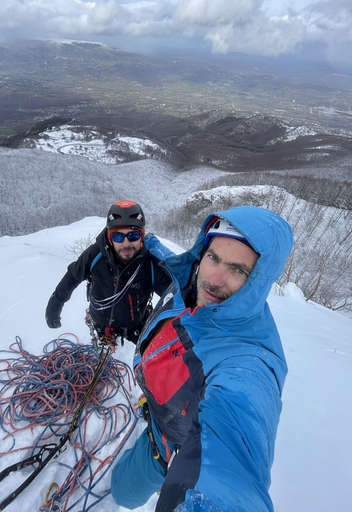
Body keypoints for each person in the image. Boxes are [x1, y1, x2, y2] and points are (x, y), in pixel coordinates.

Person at [110, 205, 294, 512]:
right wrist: (143, 241)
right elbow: (169, 258)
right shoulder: (186, 283)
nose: (216, 280)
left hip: (171, 443)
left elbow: (234, 452)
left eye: (239, 270)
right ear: (201, 254)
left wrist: (200, 501)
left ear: (260, 280)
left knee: (122, 492)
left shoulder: (247, 360)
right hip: (160, 406)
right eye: (214, 258)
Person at [45, 200, 172, 344]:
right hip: (101, 322)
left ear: (142, 237)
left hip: (134, 325)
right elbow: (73, 276)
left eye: (133, 236)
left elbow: (174, 296)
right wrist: (54, 306)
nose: (126, 244)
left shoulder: (150, 264)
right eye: (118, 236)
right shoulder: (95, 255)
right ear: (110, 238)